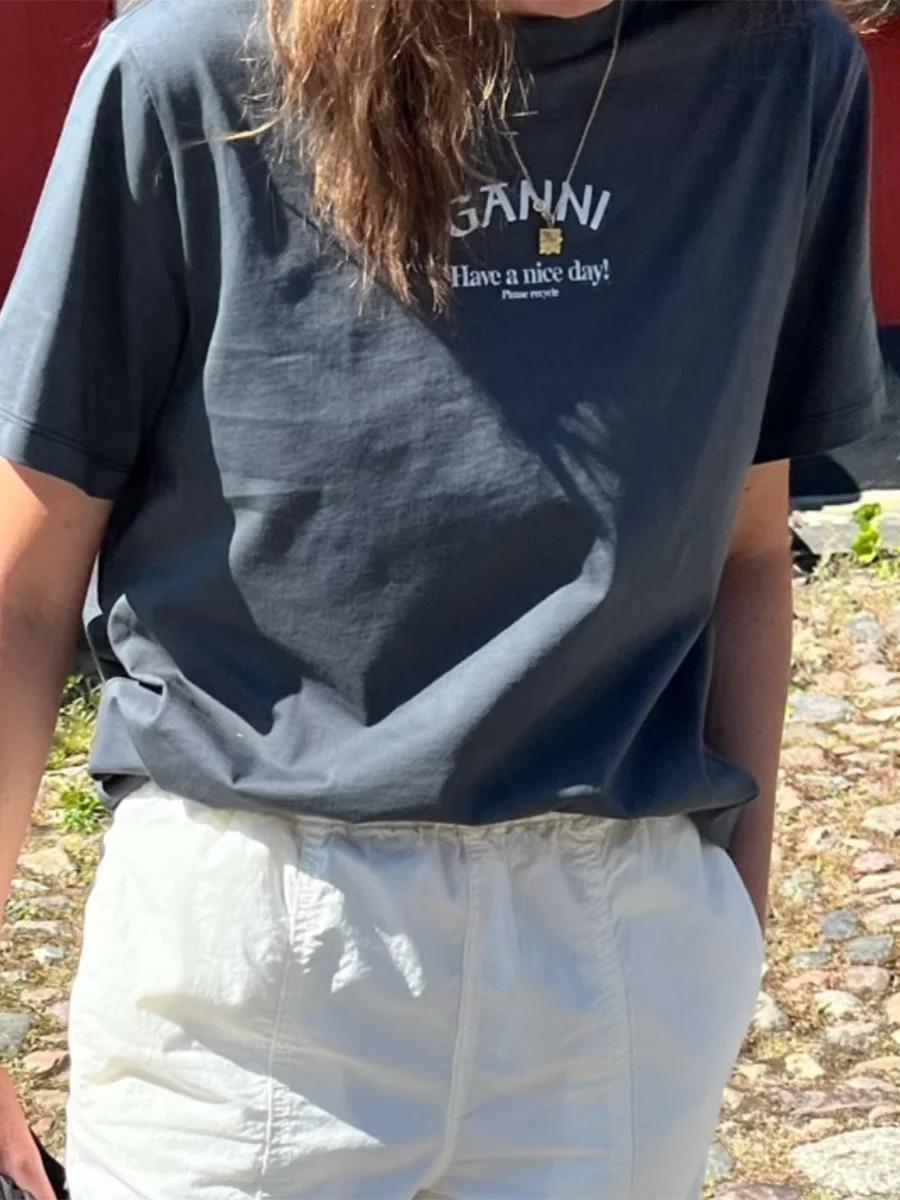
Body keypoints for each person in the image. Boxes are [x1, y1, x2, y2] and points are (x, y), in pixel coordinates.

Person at [0, 0, 888, 1194]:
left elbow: (745, 545)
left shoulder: (778, 71)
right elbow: (25, 587)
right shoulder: (192, 76)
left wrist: (735, 922)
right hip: (252, 950)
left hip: (619, 949)